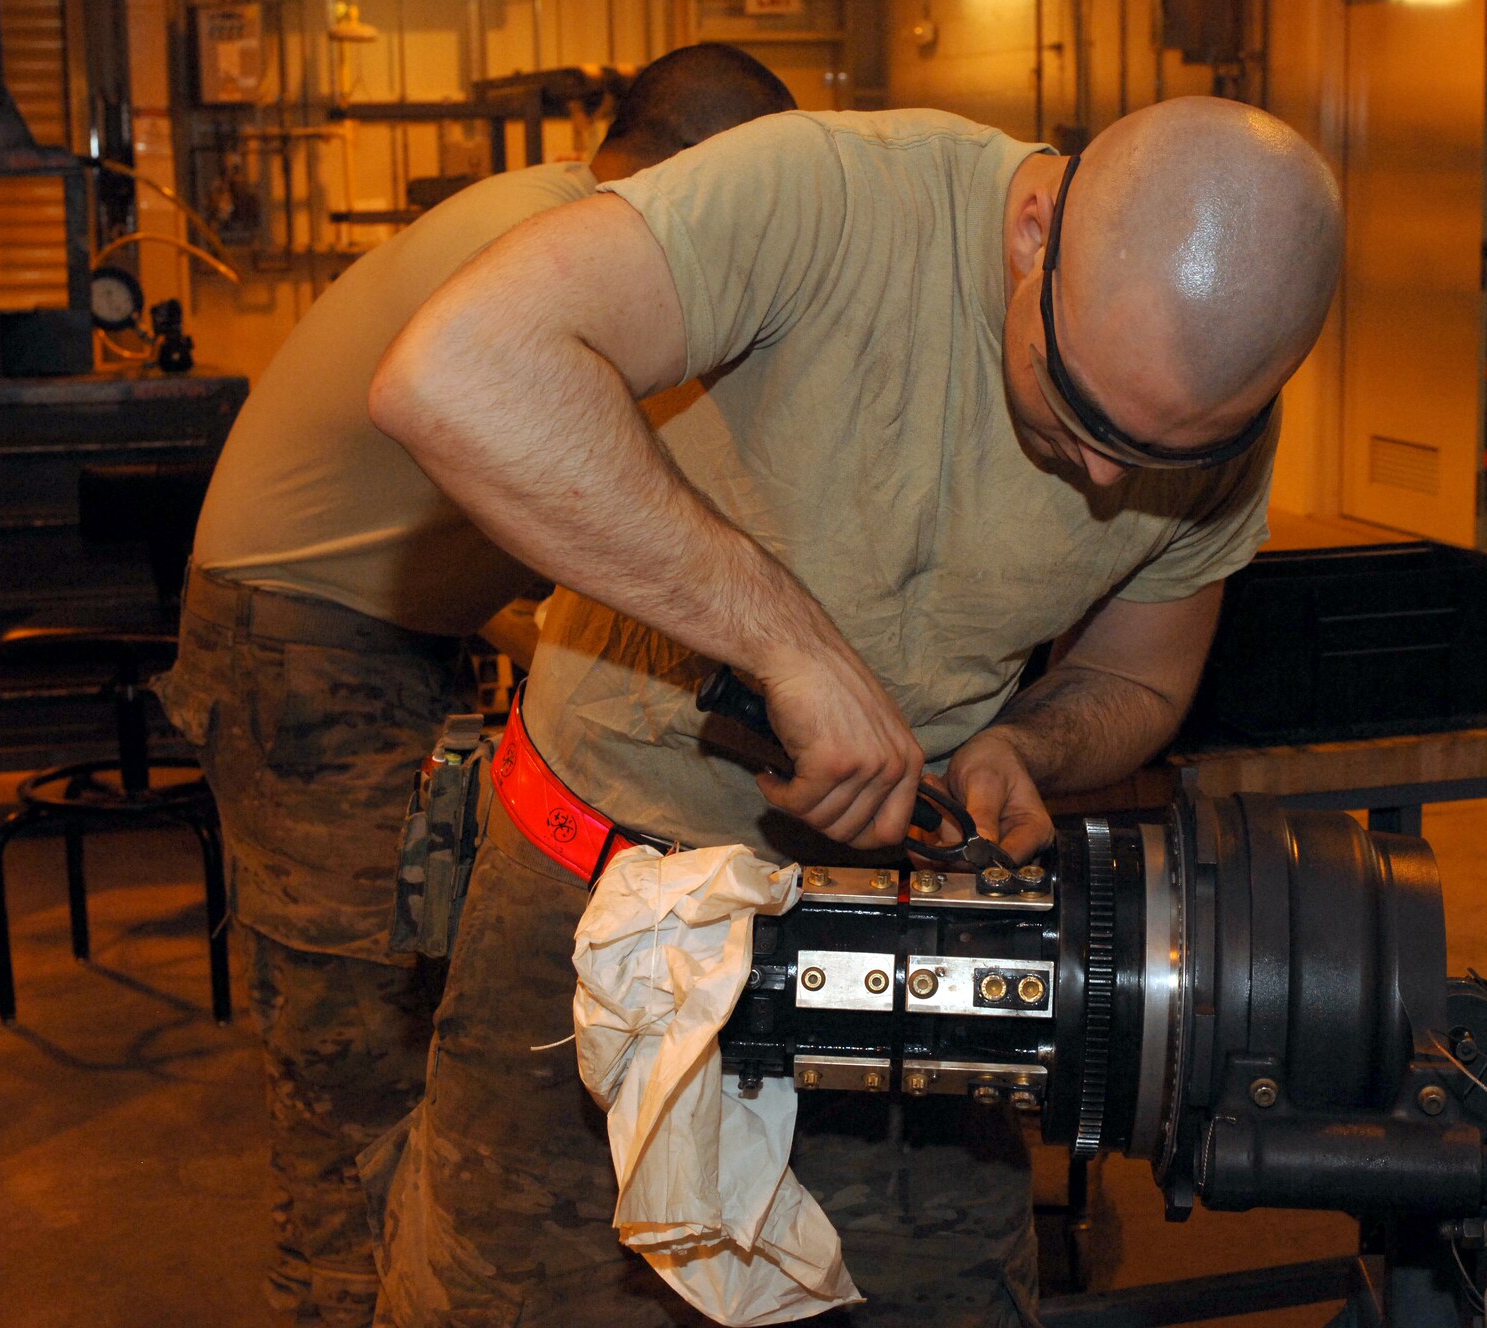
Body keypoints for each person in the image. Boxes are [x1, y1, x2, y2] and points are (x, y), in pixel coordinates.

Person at [364, 96, 1344, 1325]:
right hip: (596, 907)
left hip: (904, 933)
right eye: (1089, 417)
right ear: (1033, 229)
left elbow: (1139, 676)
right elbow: (453, 372)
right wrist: (787, 640)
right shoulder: (824, 198)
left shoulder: (1197, 396)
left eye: (1167, 453)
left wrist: (1021, 746)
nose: (1107, 479)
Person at [153, 45, 796, 1328]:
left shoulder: (544, 220)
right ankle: (334, 1298)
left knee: (399, 1010)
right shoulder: (562, 249)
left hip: (353, 641)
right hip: (306, 656)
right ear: (708, 172)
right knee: (353, 1047)